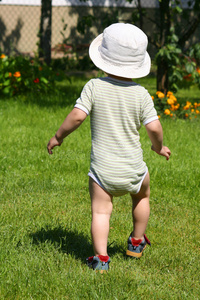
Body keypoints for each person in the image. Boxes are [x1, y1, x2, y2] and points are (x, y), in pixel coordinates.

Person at [47, 23, 171, 273]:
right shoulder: (142, 94)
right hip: (134, 169)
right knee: (142, 196)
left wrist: (59, 136)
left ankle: (101, 259)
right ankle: (136, 242)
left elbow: (78, 117)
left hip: (103, 172)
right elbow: (155, 128)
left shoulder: (94, 86)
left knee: (101, 212)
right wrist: (158, 147)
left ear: (104, 59)